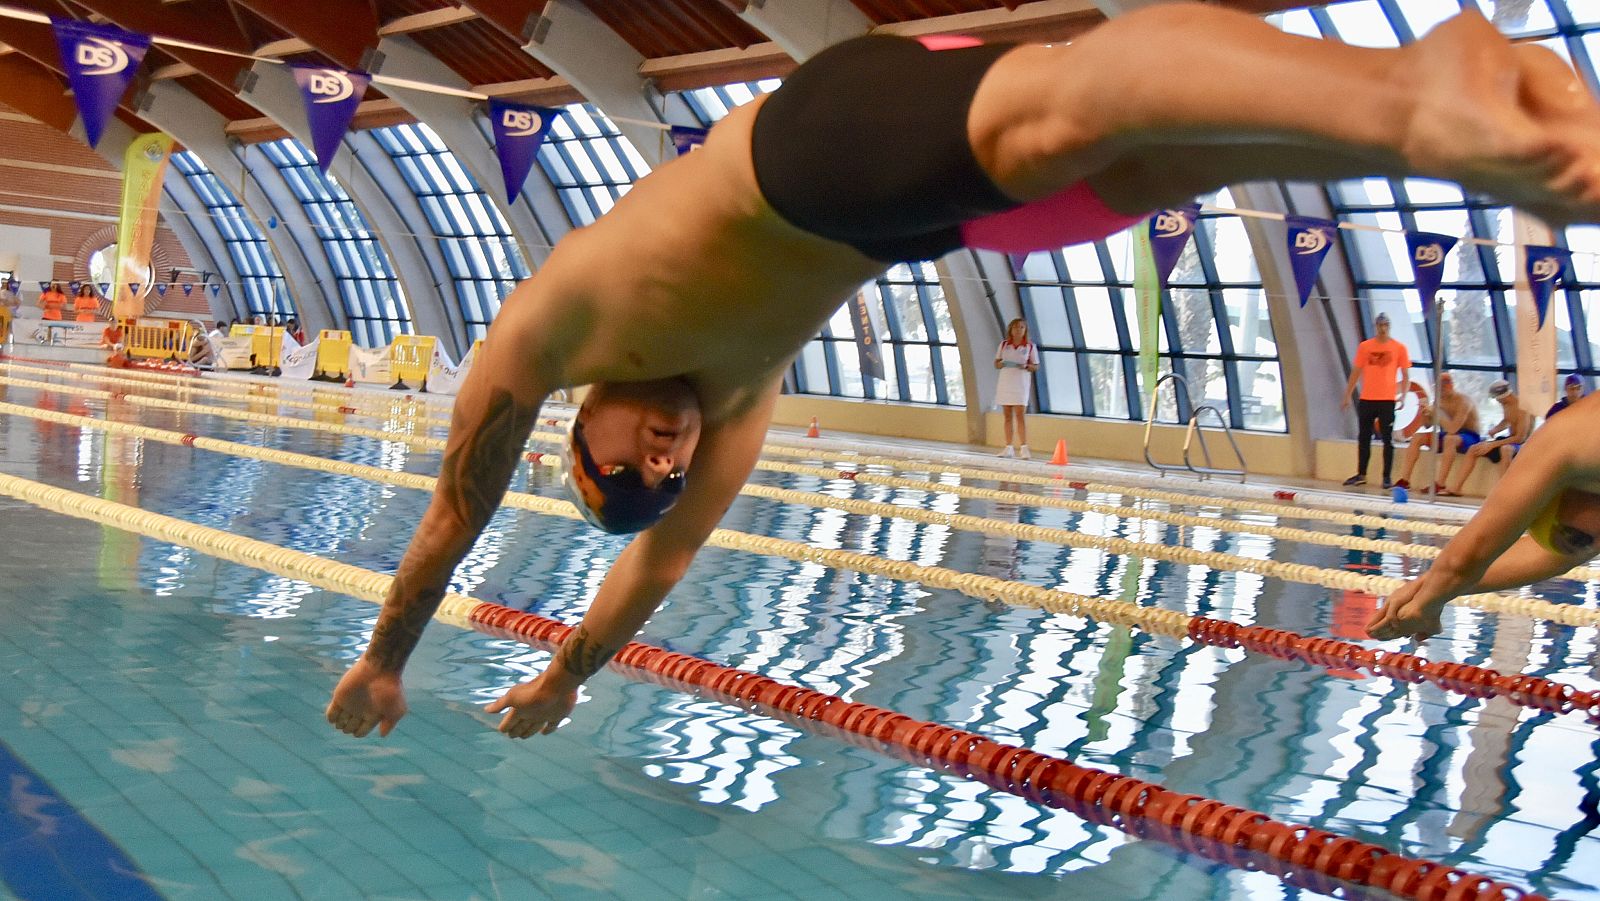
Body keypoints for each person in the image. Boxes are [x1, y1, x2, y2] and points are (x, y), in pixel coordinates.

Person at [326, 5, 1600, 742]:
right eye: (668, 467)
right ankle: (1469, 141)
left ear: (575, 434)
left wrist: (390, 656)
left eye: (637, 458)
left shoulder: (550, 334)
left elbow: (454, 516)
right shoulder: (740, 403)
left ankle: (1409, 86)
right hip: (898, 220)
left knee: (1062, 114)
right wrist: (560, 675)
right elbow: (653, 568)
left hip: (802, 162)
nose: (668, 450)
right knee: (1167, 168)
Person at [1369, 390, 1600, 641]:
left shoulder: (1568, 442)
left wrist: (1426, 606)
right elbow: (1556, 558)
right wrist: (1428, 587)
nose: (1594, 543)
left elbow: (1472, 553)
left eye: (1576, 537)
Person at [1341, 312, 1411, 488]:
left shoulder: (1399, 348)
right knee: (1364, 437)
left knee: (1387, 439)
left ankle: (1386, 477)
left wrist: (1403, 395)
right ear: (1376, 327)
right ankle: (1361, 473)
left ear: (1389, 326)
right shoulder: (1365, 347)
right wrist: (1347, 394)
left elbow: (1405, 374)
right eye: (1380, 326)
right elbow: (1356, 372)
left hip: (1387, 400)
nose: (1382, 329)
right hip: (1367, 399)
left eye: (1385, 325)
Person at [1438, 379, 1534, 496]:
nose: (1497, 401)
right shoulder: (1506, 404)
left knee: (1506, 450)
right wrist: (1495, 430)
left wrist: (1492, 444)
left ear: (1503, 395)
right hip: (1508, 440)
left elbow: (1520, 437)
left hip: (1521, 444)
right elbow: (1508, 420)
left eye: (1496, 398)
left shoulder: (1523, 408)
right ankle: (1456, 488)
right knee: (1474, 449)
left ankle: (1503, 491)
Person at [1393, 372, 1481, 492]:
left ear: (1452, 385)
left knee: (1449, 439)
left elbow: (1453, 429)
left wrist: (1436, 413)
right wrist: (1424, 412)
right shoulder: (1438, 401)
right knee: (1417, 437)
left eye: (1445, 384)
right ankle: (1405, 480)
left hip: (1469, 436)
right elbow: (1427, 425)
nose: (1443, 388)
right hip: (1448, 436)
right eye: (1440, 385)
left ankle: (1440, 483)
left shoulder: (1463, 401)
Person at [993, 317, 1039, 458]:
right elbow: (996, 363)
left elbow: (1035, 366)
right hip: (1006, 381)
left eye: (1021, 327)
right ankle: (1008, 446)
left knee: (1020, 415)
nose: (1018, 330)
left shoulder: (1030, 347)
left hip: (1020, 383)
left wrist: (1026, 366)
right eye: (1015, 327)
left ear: (1025, 330)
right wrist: (1001, 364)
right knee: (1007, 416)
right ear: (1011, 330)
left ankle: (1024, 447)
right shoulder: (1004, 345)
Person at [0, 281, 19, 346]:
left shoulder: (13, 293)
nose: (4, 284)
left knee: (9, 331)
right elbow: (3, 302)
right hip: (2, 314)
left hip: (9, 315)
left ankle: (6, 344)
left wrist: (8, 302)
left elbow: (17, 303)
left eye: (5, 283)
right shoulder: (2, 292)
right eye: (3, 283)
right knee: (2, 330)